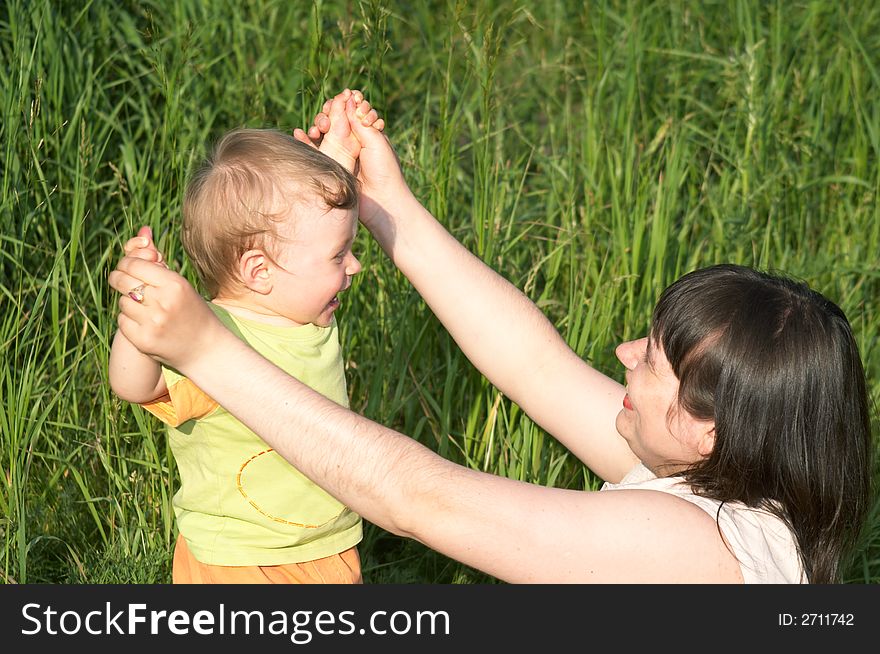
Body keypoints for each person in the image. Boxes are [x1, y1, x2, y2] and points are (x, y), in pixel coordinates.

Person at [108, 90, 873, 584]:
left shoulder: (694, 554)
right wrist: (384, 206)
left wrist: (209, 351)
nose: (623, 355)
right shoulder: (731, 487)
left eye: (652, 359)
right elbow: (533, 364)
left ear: (709, 429)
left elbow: (421, 501)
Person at [108, 90, 385, 584]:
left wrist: (338, 159)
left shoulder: (308, 312)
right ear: (259, 271)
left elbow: (308, 224)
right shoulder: (209, 338)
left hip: (331, 545)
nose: (355, 266)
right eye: (340, 255)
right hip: (240, 561)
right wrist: (140, 312)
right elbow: (134, 386)